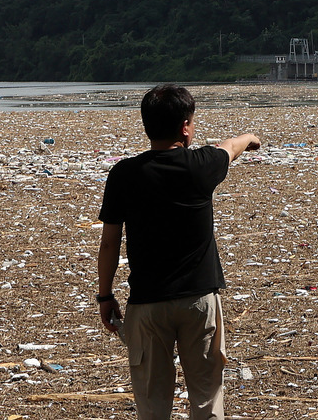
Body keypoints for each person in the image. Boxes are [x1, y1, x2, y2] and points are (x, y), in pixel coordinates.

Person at [96, 84, 260, 420]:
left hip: (148, 303)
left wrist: (105, 296)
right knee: (206, 397)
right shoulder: (200, 166)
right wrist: (249, 137)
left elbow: (110, 242)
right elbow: (229, 147)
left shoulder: (124, 174)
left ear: (147, 125)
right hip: (199, 300)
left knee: (153, 406)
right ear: (185, 126)